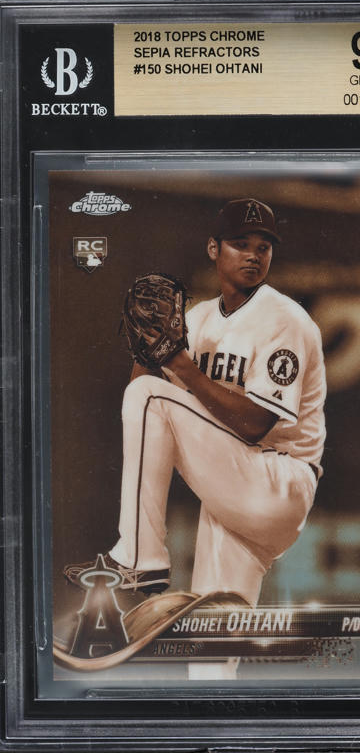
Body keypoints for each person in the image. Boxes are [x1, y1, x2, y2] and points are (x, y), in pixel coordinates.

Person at [64, 198, 327, 674]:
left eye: (264, 246)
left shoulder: (284, 319)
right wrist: (146, 354)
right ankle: (213, 711)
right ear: (213, 249)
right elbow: (145, 404)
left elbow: (255, 424)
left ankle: (140, 555)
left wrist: (180, 365)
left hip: (278, 479)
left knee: (149, 397)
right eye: (241, 244)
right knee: (212, 646)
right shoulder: (198, 319)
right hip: (235, 490)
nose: (254, 255)